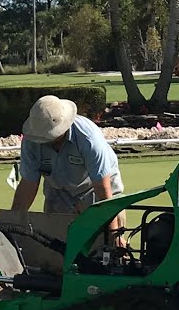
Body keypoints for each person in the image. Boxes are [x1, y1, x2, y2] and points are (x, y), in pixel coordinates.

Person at [13, 95, 125, 246]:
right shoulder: (30, 141)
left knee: (104, 249)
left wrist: (113, 235)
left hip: (95, 189)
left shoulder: (88, 138)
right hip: (58, 192)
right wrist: (11, 225)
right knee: (55, 250)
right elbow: (28, 185)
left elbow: (102, 188)